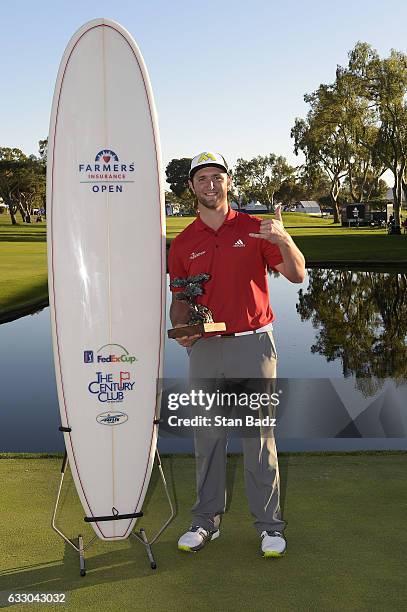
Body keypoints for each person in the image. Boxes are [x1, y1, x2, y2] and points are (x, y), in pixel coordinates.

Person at [168, 152, 306, 557]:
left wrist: (284, 238)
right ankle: (204, 523)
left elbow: (298, 274)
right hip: (205, 349)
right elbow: (180, 298)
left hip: (253, 344)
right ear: (191, 186)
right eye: (202, 178)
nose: (210, 185)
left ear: (228, 182)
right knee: (208, 438)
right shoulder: (184, 242)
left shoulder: (254, 228)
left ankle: (269, 527)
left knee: (257, 438)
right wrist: (182, 330)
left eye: (217, 177)